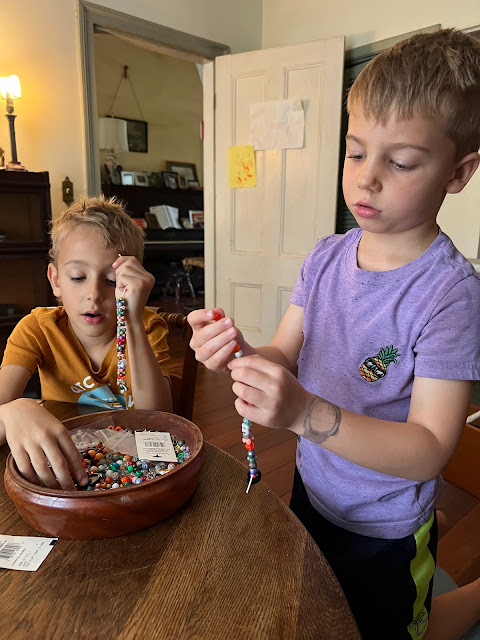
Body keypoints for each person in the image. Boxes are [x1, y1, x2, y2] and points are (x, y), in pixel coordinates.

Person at [187, 28, 480, 640]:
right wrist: (239, 353)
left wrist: (301, 414)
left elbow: (429, 448)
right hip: (315, 492)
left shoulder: (450, 295)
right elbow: (283, 353)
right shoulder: (325, 258)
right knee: (319, 612)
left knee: (393, 630)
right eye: (355, 152)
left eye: (400, 162)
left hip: (385, 524)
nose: (367, 178)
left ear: (458, 173)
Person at [0, 195, 172, 491]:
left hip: (135, 474)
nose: (94, 294)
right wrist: (13, 410)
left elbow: (157, 420)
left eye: (112, 281)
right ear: (55, 280)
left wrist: (131, 319)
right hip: (65, 467)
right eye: (78, 277)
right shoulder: (37, 329)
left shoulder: (147, 327)